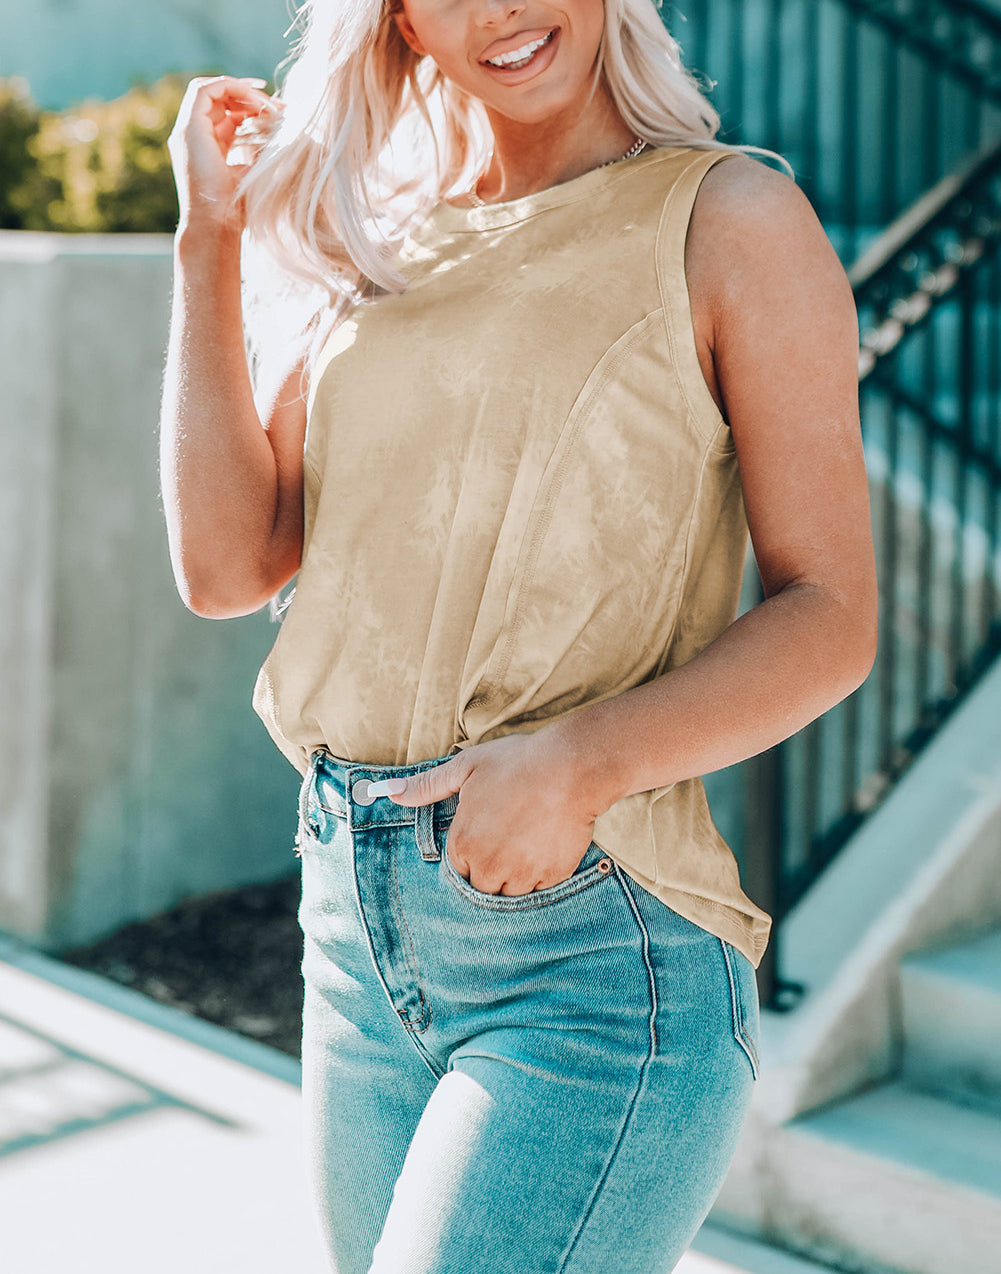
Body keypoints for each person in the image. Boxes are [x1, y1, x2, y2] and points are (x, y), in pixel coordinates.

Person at [160, 0, 877, 1267]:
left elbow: (829, 614)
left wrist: (579, 763)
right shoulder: (382, 236)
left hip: (586, 951)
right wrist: (205, 240)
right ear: (398, 22)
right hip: (351, 934)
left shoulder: (730, 221)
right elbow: (225, 564)